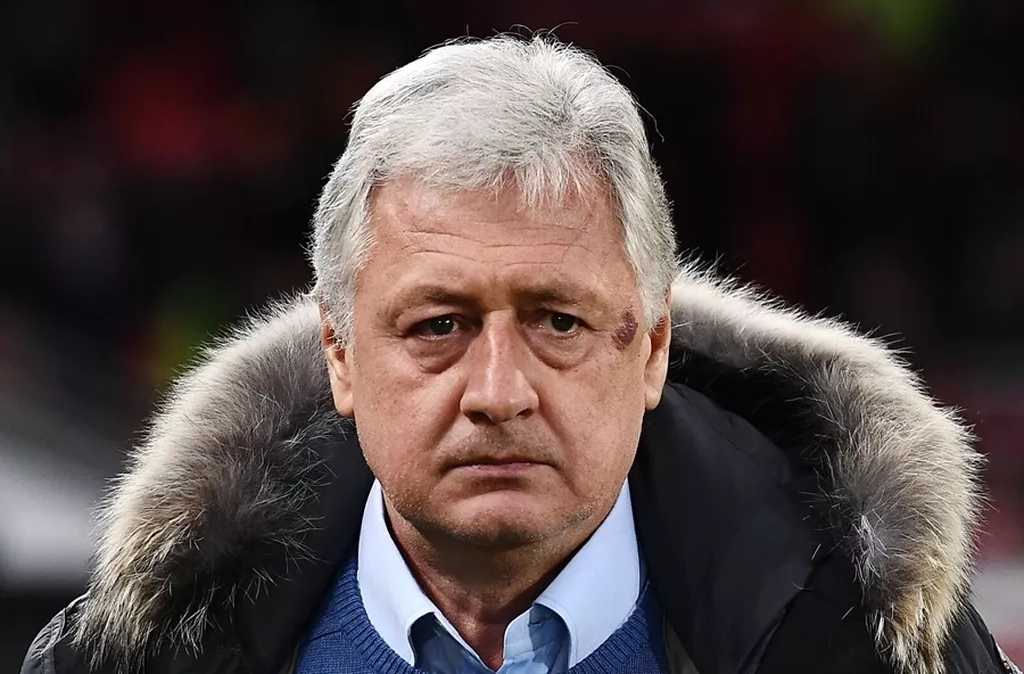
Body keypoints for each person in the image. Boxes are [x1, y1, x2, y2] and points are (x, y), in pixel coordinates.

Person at [22, 35, 1018, 674]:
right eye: (438, 325)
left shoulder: (875, 644)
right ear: (338, 354)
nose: (498, 393)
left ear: (654, 347)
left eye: (558, 322)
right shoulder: (137, 652)